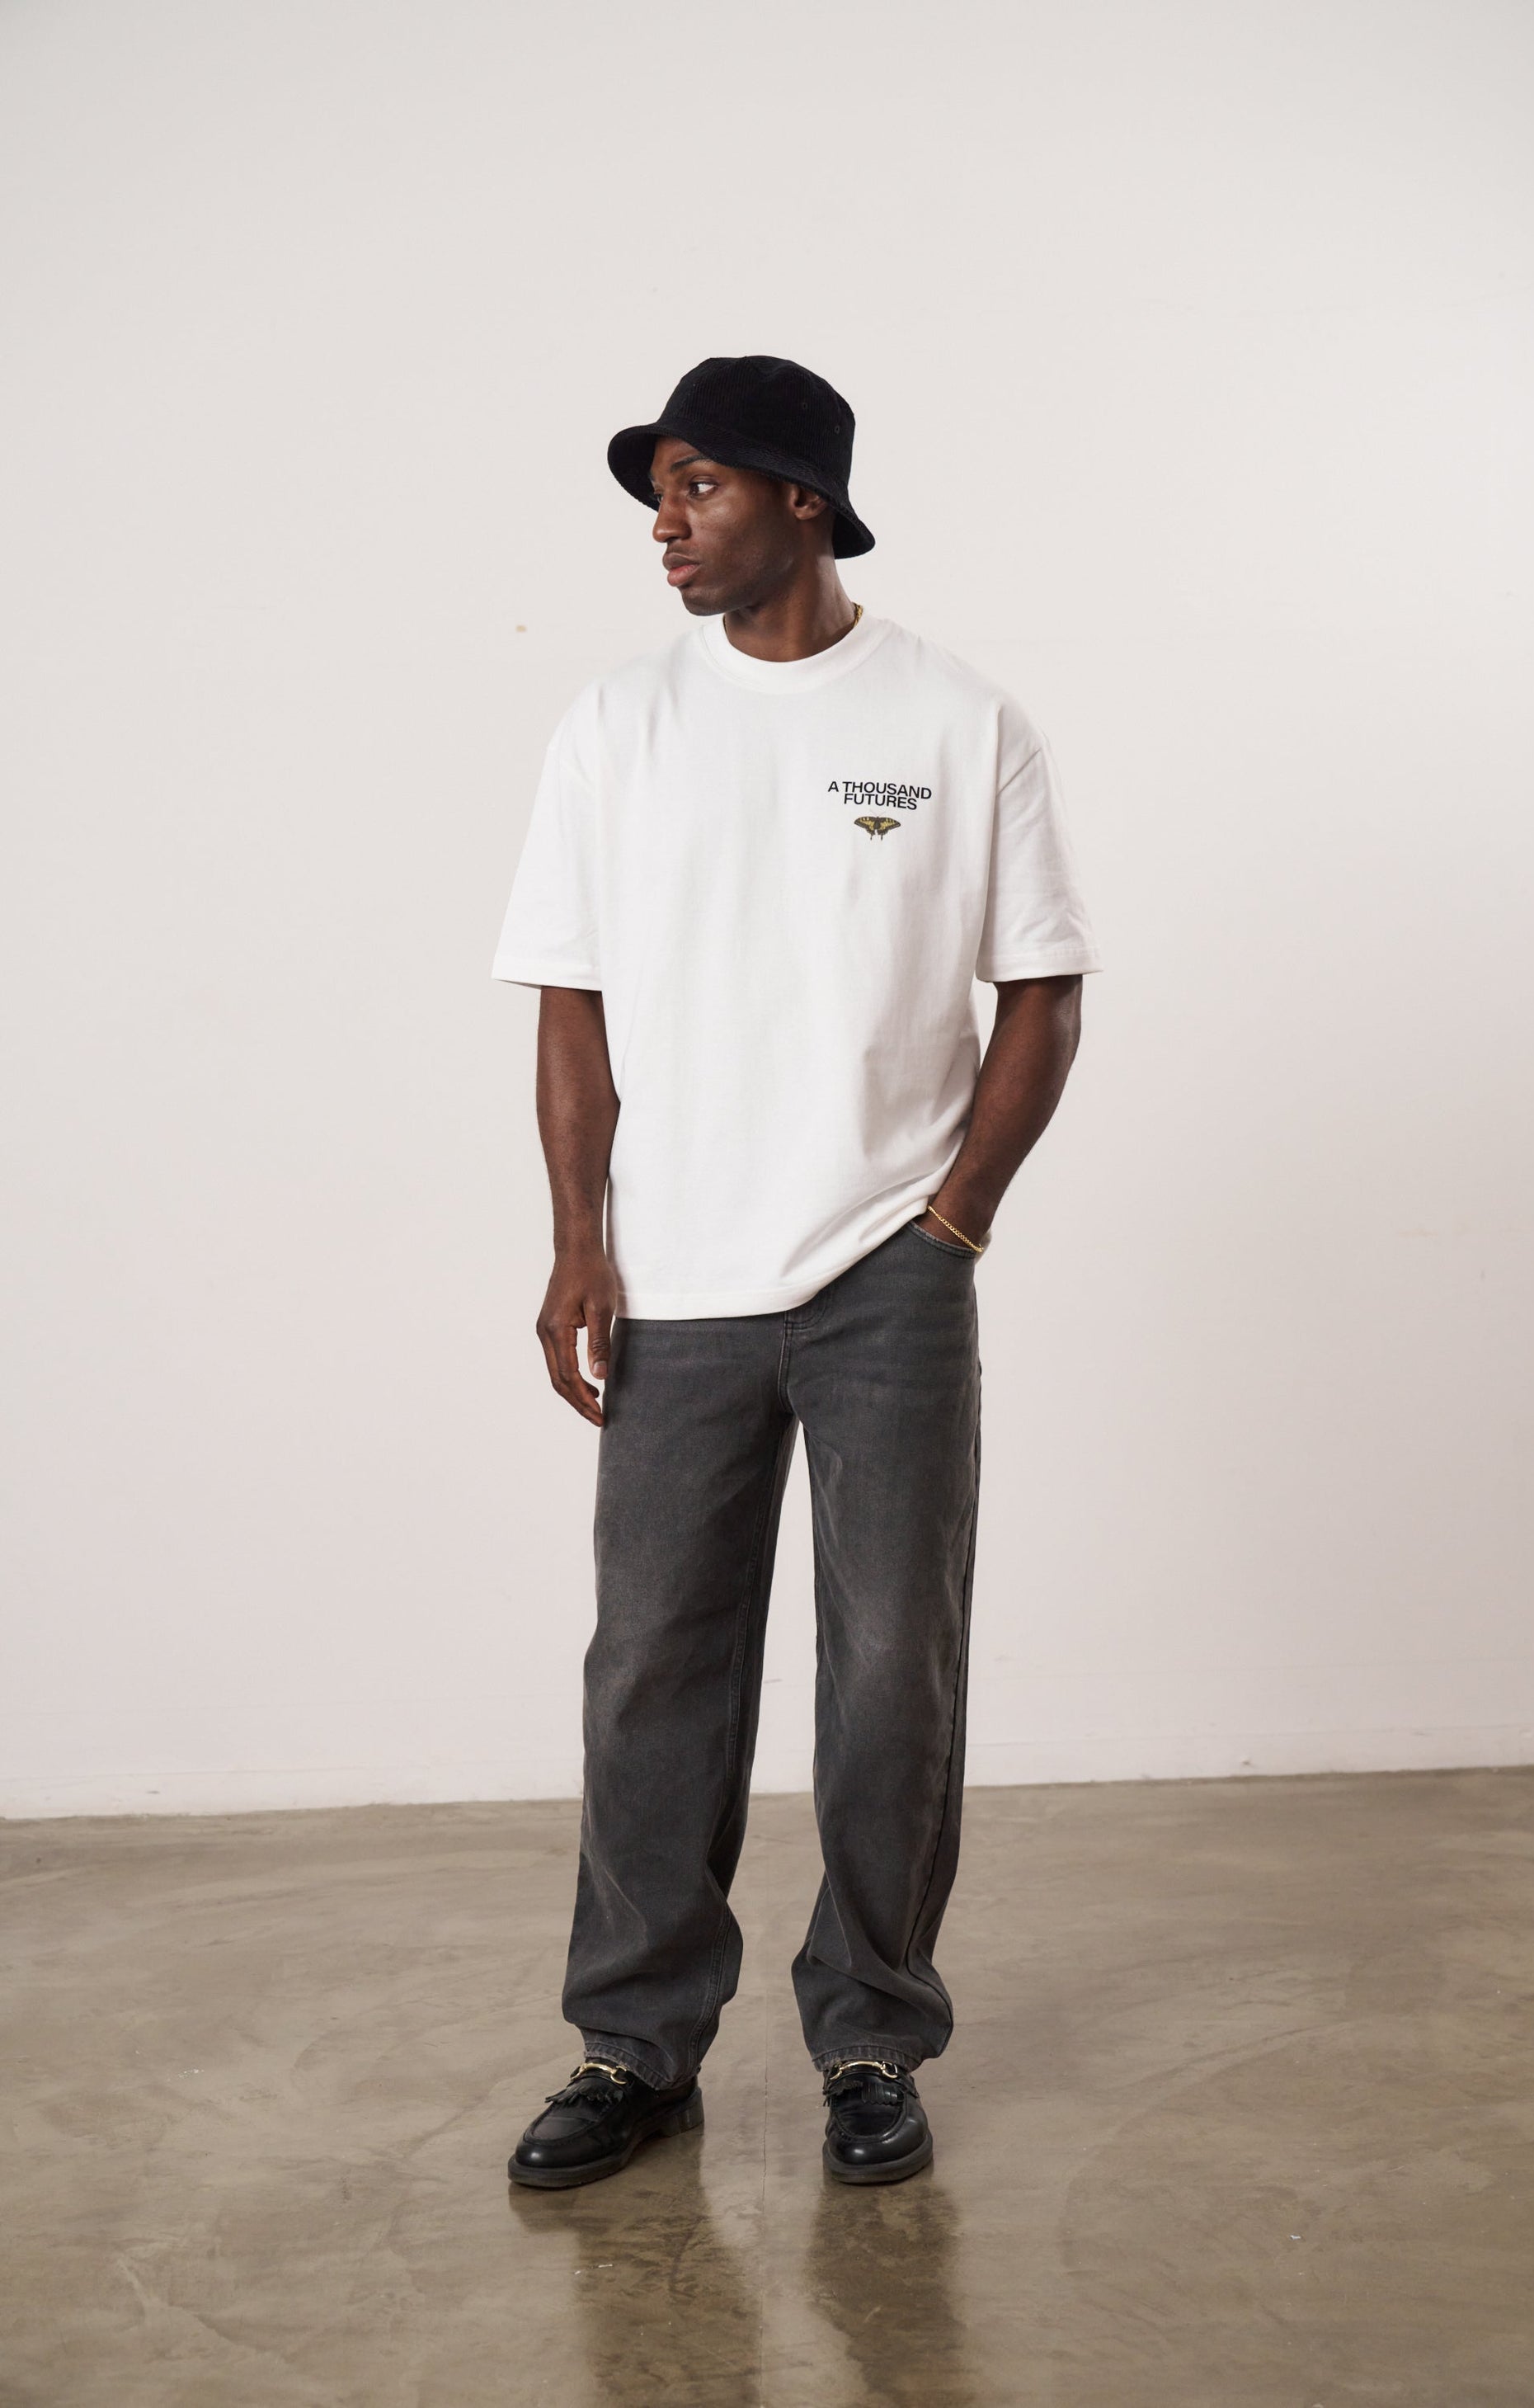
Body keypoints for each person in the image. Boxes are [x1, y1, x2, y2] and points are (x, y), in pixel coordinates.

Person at [493, 355, 1100, 2190]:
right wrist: (580, 1238)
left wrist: (955, 1218)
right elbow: (573, 1001)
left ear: (803, 501)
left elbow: (1043, 987)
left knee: (894, 1668)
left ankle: (870, 2036)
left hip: (885, 1275)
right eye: (656, 495)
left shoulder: (955, 719)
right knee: (651, 1670)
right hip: (675, 1276)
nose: (664, 527)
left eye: (697, 487)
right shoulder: (618, 724)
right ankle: (634, 2045)